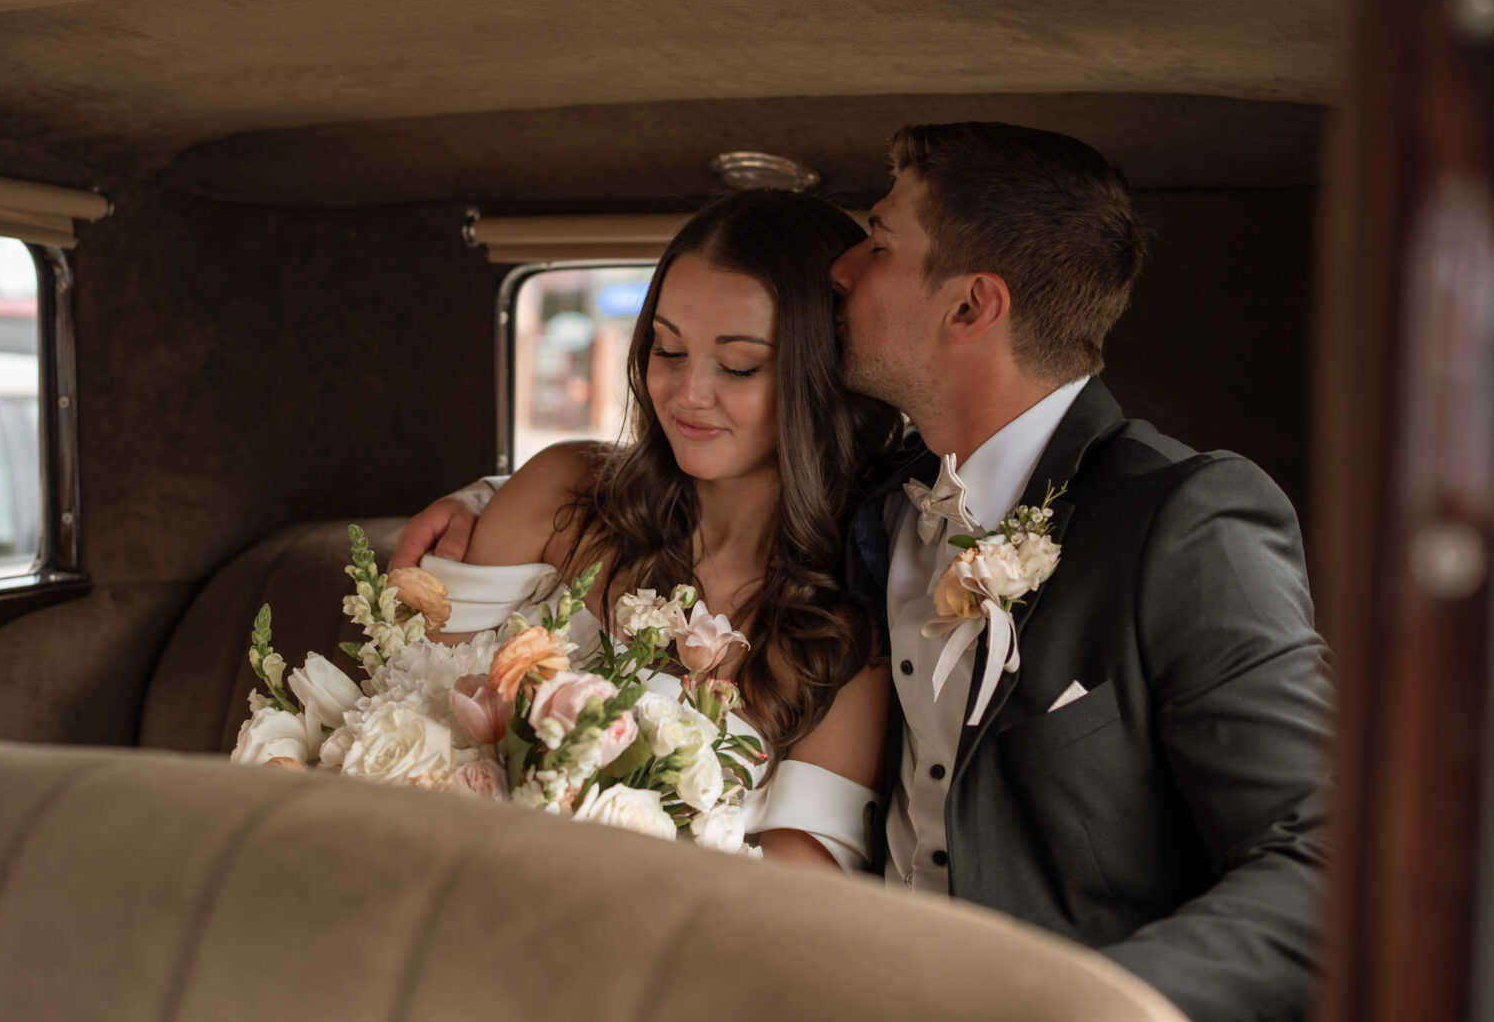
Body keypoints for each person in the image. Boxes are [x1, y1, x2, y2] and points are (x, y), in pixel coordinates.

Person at [401, 124, 1332, 1022]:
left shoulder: (1184, 521)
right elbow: (706, 491)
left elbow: (1325, 858)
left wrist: (1095, 1007)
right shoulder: (885, 506)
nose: (842, 268)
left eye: (878, 242)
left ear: (971, 305)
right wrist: (484, 502)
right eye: (673, 350)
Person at [428, 188, 902, 870]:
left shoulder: (845, 640)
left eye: (738, 364)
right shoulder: (560, 496)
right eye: (668, 349)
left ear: (818, 376)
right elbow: (409, 696)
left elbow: (803, 899)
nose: (688, 393)